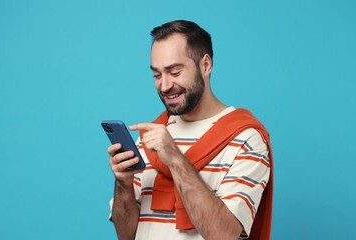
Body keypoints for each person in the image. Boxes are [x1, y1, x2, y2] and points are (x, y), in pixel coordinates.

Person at [107, 20, 273, 240]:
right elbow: (126, 236)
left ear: (205, 65)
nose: (165, 86)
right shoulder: (150, 138)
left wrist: (175, 159)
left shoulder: (246, 139)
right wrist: (123, 184)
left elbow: (225, 235)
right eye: (157, 75)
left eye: (175, 72)